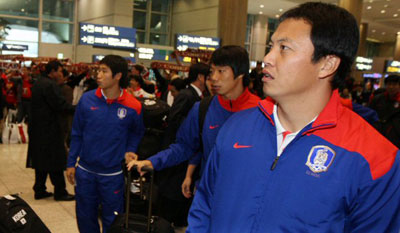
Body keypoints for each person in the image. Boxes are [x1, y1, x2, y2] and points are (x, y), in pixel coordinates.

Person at [187, 3, 400, 233]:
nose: (267, 58)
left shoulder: (376, 159)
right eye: (271, 46)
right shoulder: (236, 127)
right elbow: (205, 206)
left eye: (284, 48)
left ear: (327, 64)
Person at [127, 45, 260, 194]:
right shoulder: (203, 108)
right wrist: (154, 161)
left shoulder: (263, 112)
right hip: (207, 196)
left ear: (240, 74)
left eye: (221, 71)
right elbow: (184, 146)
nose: (214, 78)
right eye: (212, 71)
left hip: (245, 197)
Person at [66, 55, 145, 233]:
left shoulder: (133, 106)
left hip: (113, 174)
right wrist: (71, 163)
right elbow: (77, 133)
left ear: (117, 76)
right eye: (98, 70)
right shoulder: (86, 100)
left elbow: (137, 132)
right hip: (85, 171)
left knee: (114, 219)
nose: (98, 75)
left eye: (104, 71)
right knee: (85, 217)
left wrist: (130, 150)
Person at [156, 62, 209, 228]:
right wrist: (194, 127)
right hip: (179, 152)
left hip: (188, 155)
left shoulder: (201, 97)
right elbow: (174, 119)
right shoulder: (188, 95)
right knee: (172, 192)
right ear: (201, 77)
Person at [26, 60, 75, 201]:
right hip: (49, 129)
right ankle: (60, 192)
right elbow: (60, 105)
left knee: (41, 160)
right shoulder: (50, 85)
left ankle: (39, 189)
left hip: (38, 128)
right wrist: (79, 108)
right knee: (56, 161)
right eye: (59, 71)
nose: (61, 74)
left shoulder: (39, 82)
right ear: (52, 71)